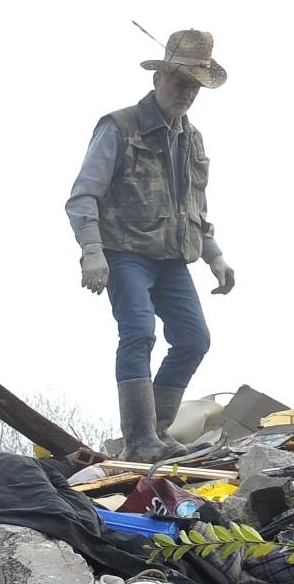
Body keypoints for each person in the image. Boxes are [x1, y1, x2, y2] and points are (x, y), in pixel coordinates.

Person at [66, 28, 236, 462]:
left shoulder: (191, 139)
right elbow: (84, 194)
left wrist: (214, 254)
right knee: (139, 331)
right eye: (180, 81)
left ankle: (157, 433)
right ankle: (139, 437)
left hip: (173, 258)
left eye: (195, 86)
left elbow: (194, 206)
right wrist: (91, 251)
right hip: (124, 253)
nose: (187, 92)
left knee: (194, 338)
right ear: (157, 79)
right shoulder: (119, 127)